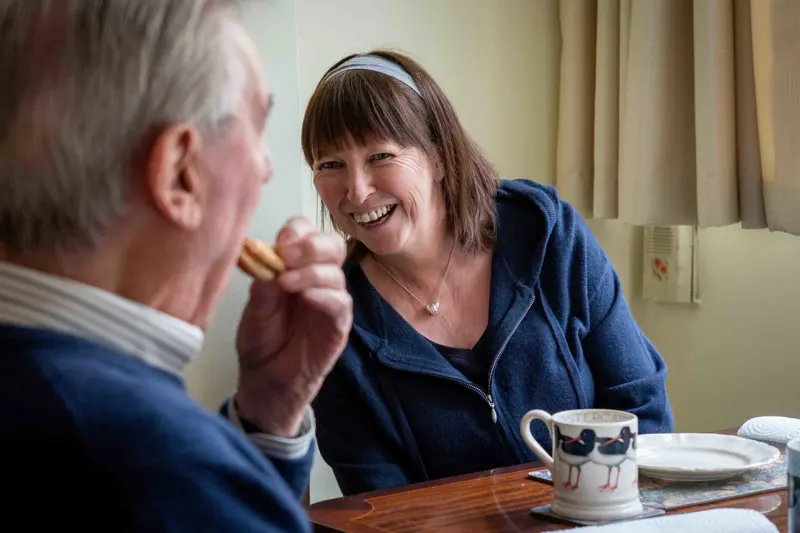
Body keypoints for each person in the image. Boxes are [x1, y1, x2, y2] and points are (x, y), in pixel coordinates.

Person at [0, 1, 351, 531]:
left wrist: (269, 408)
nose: (267, 167)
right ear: (180, 174)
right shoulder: (156, 468)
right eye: (257, 127)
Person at [302, 50, 675, 496]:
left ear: (439, 156)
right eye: (330, 165)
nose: (358, 191)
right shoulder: (333, 318)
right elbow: (378, 503)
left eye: (381, 155)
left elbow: (641, 407)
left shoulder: (545, 233)